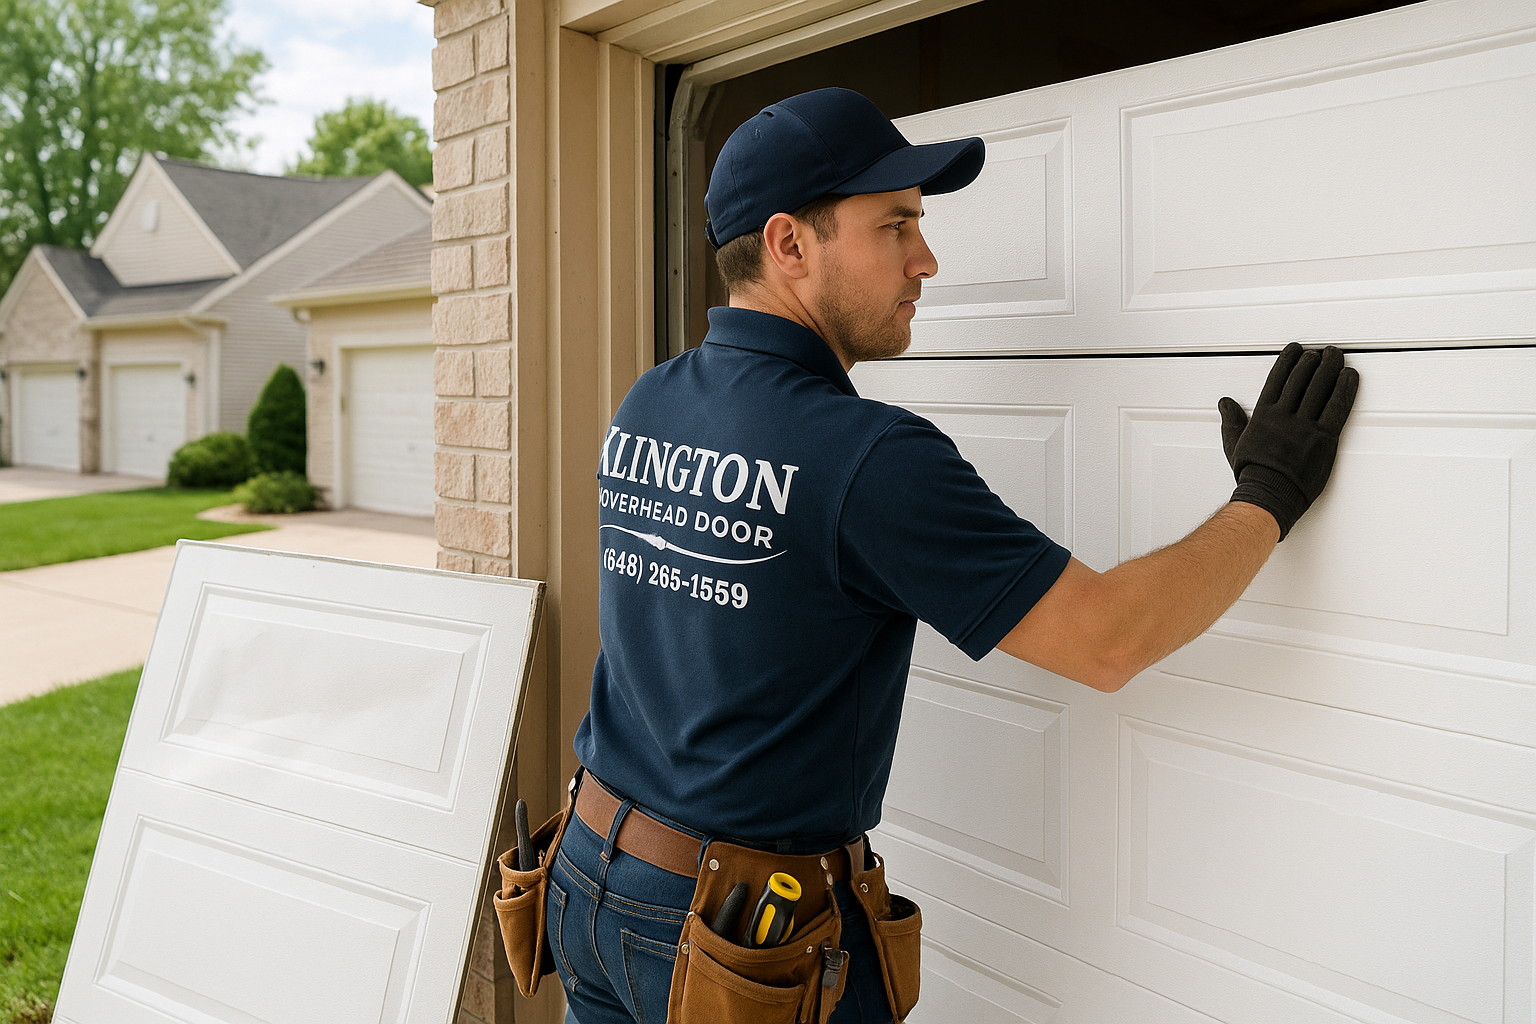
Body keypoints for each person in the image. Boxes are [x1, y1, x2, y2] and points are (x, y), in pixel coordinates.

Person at [546, 87, 1358, 1024]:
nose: (926, 260)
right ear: (789, 245)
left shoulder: (652, 400)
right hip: (743, 946)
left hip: (591, 874)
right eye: (895, 226)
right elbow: (1107, 640)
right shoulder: (865, 455)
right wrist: (1268, 494)